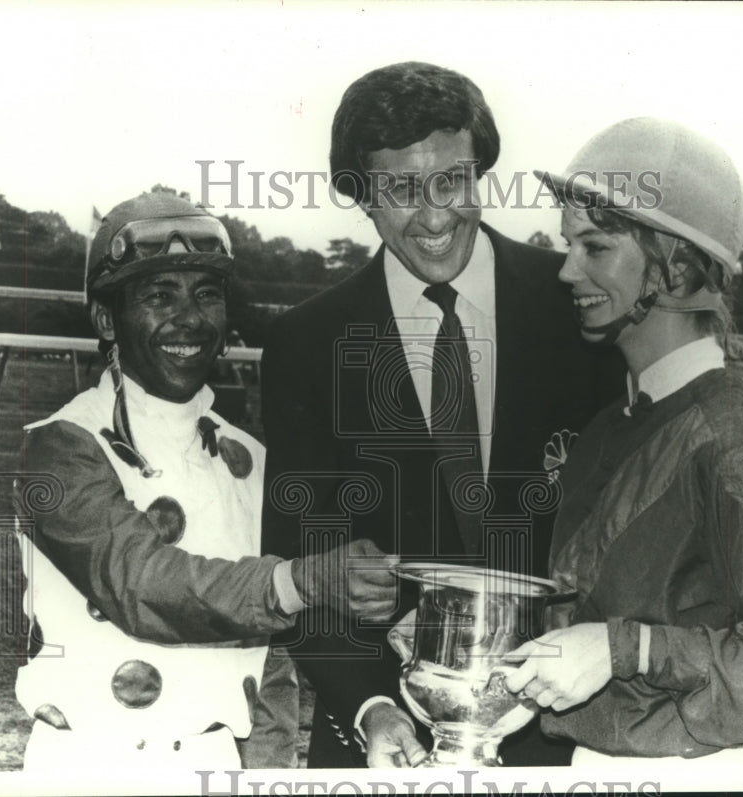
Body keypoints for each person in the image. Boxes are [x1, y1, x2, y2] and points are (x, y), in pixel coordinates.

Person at [260, 62, 624, 768]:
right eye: (399, 188)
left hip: (561, 741)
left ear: (480, 172)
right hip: (384, 741)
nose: (433, 216)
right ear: (360, 195)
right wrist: (372, 705)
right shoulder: (307, 342)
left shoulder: (575, 310)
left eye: (451, 181)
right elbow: (301, 559)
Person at [14, 192, 397, 775]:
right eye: (158, 295)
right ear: (104, 319)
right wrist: (300, 580)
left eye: (207, 294)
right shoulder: (60, 446)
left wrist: (269, 769)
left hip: (222, 763)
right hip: (90, 767)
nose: (189, 318)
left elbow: (271, 665)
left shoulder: (251, 456)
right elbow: (139, 584)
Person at [503, 118, 743, 763]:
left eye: (596, 248)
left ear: (679, 269)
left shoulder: (735, 448)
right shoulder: (614, 423)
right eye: (568, 244)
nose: (567, 270)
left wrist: (627, 649)